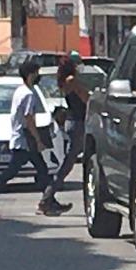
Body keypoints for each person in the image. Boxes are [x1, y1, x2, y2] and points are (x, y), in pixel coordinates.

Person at [0, 60, 72, 218]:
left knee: (42, 170)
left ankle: (48, 202)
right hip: (24, 141)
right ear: (31, 74)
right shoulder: (27, 94)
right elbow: (28, 118)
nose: (38, 76)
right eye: (37, 73)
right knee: (11, 172)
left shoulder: (21, 91)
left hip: (22, 139)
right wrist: (38, 140)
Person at [42, 56, 87, 207]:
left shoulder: (63, 81)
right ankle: (48, 196)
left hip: (73, 121)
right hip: (78, 123)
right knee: (68, 162)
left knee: (75, 159)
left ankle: (49, 196)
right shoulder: (71, 80)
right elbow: (86, 98)